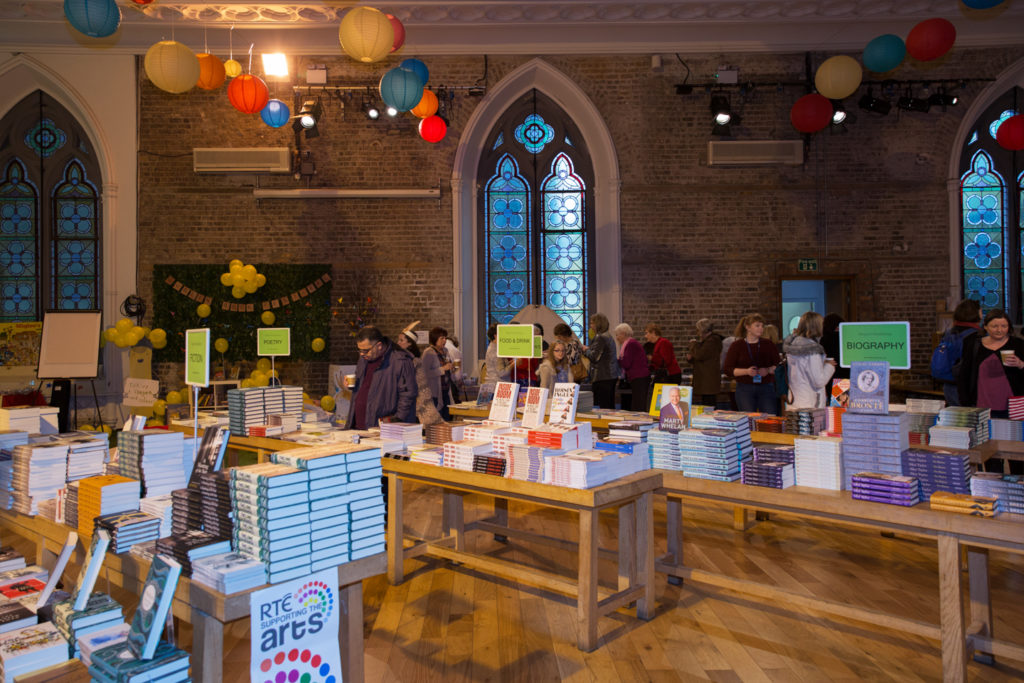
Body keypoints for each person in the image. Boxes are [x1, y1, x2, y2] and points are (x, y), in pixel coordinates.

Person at [344, 326, 417, 429]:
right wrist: (352, 384)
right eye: (359, 350)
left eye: (366, 350)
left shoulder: (400, 361)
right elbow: (367, 385)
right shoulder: (363, 358)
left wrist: (395, 420)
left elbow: (408, 395)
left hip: (382, 428)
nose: (362, 354)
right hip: (358, 424)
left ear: (379, 345)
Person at [957, 308, 1024, 418]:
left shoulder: (1018, 344)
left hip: (1014, 404)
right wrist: (965, 402)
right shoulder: (974, 345)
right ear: (986, 326)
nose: (999, 330)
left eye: (1004, 326)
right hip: (981, 403)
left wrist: (1020, 364)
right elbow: (964, 374)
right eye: (994, 326)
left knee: (1011, 433)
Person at [723, 313, 781, 414]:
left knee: (769, 417)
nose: (761, 328)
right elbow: (728, 369)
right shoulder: (737, 345)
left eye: (762, 326)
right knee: (748, 419)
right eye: (757, 325)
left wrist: (768, 370)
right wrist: (746, 371)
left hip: (766, 386)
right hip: (745, 388)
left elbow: (778, 366)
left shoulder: (768, 344)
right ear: (748, 327)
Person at [782, 311, 836, 409]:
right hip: (811, 404)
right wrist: (829, 366)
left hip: (795, 400)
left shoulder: (793, 345)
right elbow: (819, 381)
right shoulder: (812, 350)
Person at [934, 299, 982, 406]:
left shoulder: (949, 333)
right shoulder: (977, 336)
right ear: (976, 314)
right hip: (968, 386)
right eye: (980, 311)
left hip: (949, 383)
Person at [395, 326, 444, 425]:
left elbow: (419, 382)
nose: (398, 343)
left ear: (409, 344)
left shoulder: (414, 361)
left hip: (417, 399)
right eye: (398, 340)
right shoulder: (400, 359)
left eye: (401, 340)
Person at [583, 313, 619, 409]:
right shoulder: (608, 336)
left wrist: (585, 350)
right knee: (609, 405)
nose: (590, 326)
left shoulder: (601, 337)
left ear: (598, 324)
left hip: (602, 376)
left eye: (592, 323)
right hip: (610, 375)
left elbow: (594, 357)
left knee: (604, 407)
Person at [687, 318, 723, 407]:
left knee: (709, 405)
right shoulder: (707, 341)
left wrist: (693, 344)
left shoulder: (712, 341)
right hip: (705, 380)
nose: (697, 332)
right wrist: (691, 358)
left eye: (698, 330)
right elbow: (700, 356)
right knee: (706, 404)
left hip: (708, 381)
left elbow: (700, 355)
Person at [615, 323, 651, 411]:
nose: (617, 338)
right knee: (637, 403)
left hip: (640, 377)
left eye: (617, 335)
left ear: (623, 333)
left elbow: (626, 363)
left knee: (639, 405)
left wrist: (617, 360)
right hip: (638, 377)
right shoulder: (630, 343)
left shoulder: (631, 344)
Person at [422, 326, 456, 420]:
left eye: (445, 338)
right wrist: (442, 369)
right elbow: (424, 373)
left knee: (447, 419)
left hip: (446, 391)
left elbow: (447, 367)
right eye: (442, 338)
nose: (444, 340)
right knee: (437, 420)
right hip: (435, 393)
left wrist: (451, 368)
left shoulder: (445, 351)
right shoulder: (428, 352)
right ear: (435, 339)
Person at [820, 313, 848, 400]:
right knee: (841, 406)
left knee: (830, 407)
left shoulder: (823, 340)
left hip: (828, 374)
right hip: (843, 375)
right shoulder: (845, 338)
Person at [513, 323, 545, 387]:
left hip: (531, 377)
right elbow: (520, 364)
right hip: (521, 377)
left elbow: (534, 364)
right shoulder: (522, 345)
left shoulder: (535, 346)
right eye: (537, 336)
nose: (539, 338)